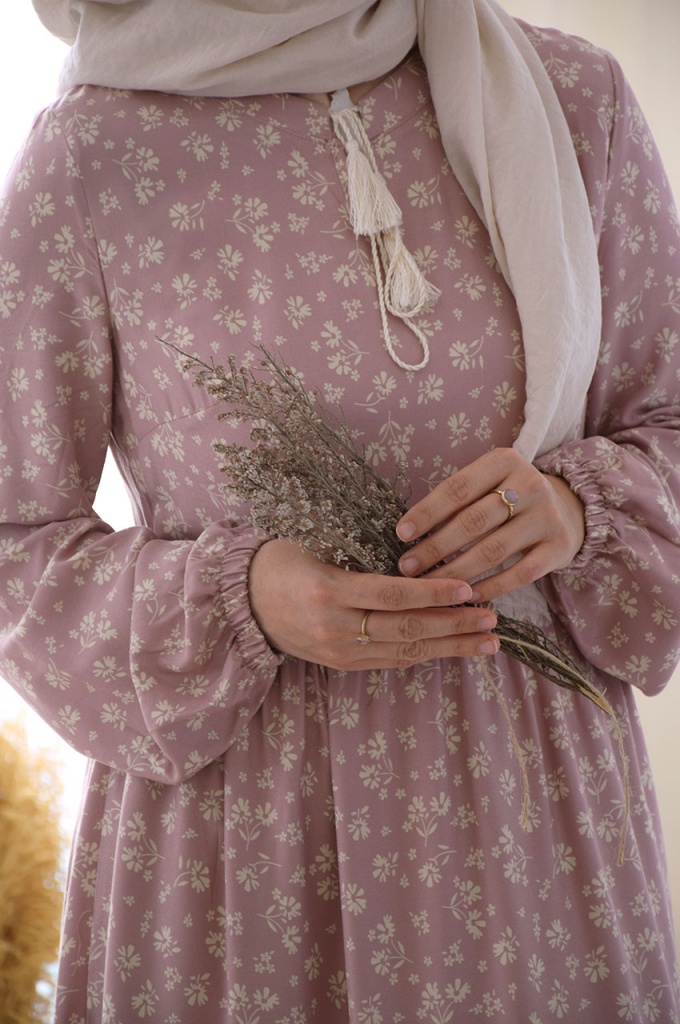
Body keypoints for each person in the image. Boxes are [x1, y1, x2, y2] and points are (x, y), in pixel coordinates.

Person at [1, 0, 679, 1019]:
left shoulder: (574, 102)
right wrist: (238, 600)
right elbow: (17, 537)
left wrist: (578, 510)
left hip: (528, 815)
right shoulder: (93, 153)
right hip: (245, 839)